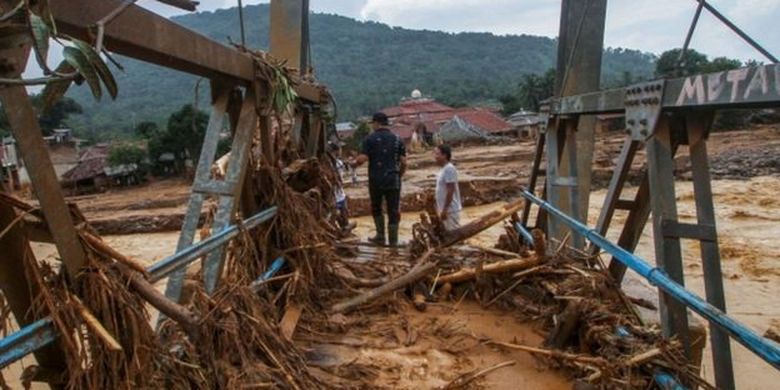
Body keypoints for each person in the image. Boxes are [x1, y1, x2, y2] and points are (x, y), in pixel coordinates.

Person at [351, 112, 407, 246]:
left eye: (373, 124)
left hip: (376, 179)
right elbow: (404, 162)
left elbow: (363, 159)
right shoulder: (398, 139)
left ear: (376, 123)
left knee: (377, 207)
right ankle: (394, 241)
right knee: (393, 209)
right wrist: (399, 175)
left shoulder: (369, 139)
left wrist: (353, 163)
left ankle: (380, 236)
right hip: (393, 179)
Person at [434, 144, 462, 231]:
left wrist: (445, 210)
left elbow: (450, 190)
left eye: (437, 154)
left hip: (450, 210)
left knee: (454, 236)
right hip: (445, 210)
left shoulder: (449, 169)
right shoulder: (443, 170)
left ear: (444, 155)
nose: (435, 157)